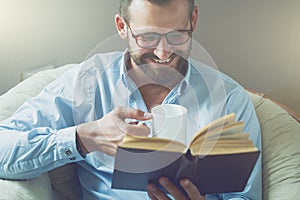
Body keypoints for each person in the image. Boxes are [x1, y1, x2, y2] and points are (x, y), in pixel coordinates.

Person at [0, 0, 262, 199]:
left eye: (177, 35)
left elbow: (245, 195)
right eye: (147, 37)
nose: (163, 53)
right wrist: (84, 138)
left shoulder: (229, 98)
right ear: (122, 27)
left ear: (193, 20)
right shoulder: (87, 83)